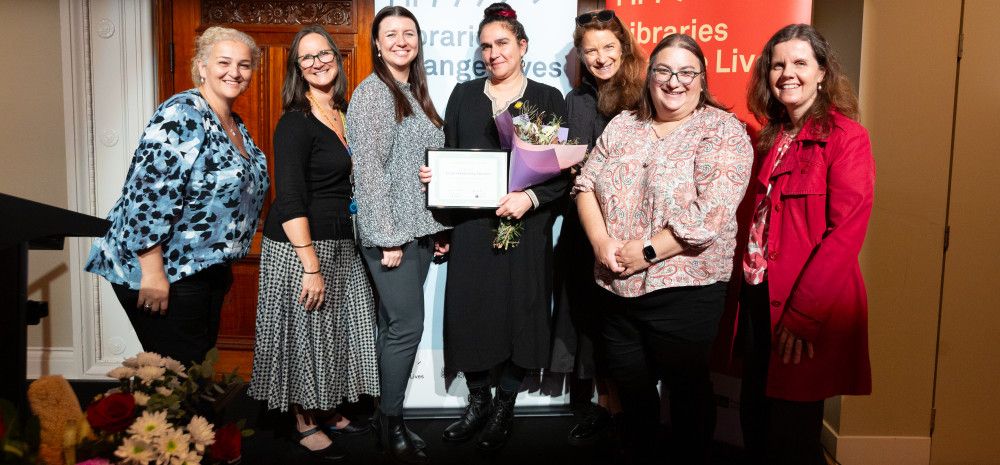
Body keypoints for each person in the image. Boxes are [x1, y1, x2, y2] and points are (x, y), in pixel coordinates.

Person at [574, 34, 752, 464]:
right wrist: (601, 242)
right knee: (632, 395)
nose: (675, 82)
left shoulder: (722, 130)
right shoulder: (623, 125)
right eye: (664, 71)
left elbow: (710, 215)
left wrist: (647, 253)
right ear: (649, 76)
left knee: (688, 396)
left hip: (685, 293)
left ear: (702, 79)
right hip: (616, 290)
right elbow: (585, 185)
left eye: (687, 72)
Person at [420, 2, 567, 452]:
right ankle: (478, 400)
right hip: (470, 231)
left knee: (521, 315)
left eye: (502, 43)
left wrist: (530, 196)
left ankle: (505, 402)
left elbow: (561, 174)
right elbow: (448, 153)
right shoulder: (464, 95)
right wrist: (436, 182)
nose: (493, 52)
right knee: (470, 315)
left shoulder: (547, 98)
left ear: (523, 46)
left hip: (526, 229)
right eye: (485, 46)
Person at [85, 26, 268, 367]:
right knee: (177, 376)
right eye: (224, 62)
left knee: (191, 372)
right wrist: (153, 272)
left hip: (204, 267)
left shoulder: (232, 122)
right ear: (201, 66)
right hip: (166, 268)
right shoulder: (183, 112)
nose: (235, 72)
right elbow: (147, 193)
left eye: (244, 65)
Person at [739, 23, 874, 465]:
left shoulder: (847, 138)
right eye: (778, 64)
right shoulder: (772, 135)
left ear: (822, 73)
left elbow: (846, 235)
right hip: (759, 295)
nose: (787, 73)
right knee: (755, 416)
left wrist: (803, 316)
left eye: (800, 63)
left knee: (791, 434)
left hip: (802, 304)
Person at [247, 26, 378, 462]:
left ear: (337, 59)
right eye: (307, 58)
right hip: (300, 246)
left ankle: (328, 406)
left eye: (324, 53)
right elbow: (289, 198)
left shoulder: (339, 111)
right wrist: (310, 265)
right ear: (296, 69)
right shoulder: (295, 122)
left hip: (340, 240)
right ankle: (303, 421)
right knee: (303, 334)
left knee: (333, 332)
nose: (318, 62)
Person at [345, 6, 447, 464]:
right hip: (392, 233)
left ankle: (386, 416)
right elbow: (367, 173)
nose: (402, 40)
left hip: (419, 229)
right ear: (377, 43)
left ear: (418, 41)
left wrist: (439, 228)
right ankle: (391, 423)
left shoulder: (414, 91)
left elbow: (415, 166)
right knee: (407, 326)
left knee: (392, 326)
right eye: (392, 34)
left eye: (409, 33)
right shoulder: (373, 94)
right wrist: (388, 237)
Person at [552, 8, 645, 446]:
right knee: (589, 320)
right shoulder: (576, 100)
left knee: (623, 325)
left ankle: (630, 411)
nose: (600, 57)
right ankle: (603, 407)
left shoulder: (646, 94)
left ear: (623, 48)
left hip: (632, 229)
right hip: (582, 228)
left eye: (608, 47)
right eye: (590, 50)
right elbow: (572, 158)